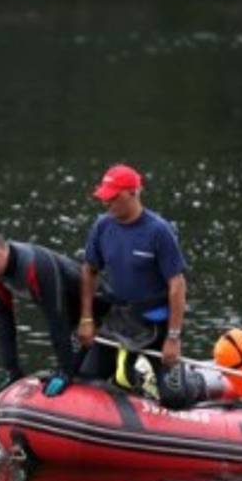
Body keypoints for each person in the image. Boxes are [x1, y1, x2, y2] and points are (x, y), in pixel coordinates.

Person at [77, 164, 187, 390]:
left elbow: (177, 285)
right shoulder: (102, 226)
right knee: (87, 380)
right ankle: (131, 379)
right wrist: (86, 319)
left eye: (113, 197)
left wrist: (173, 338)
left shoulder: (159, 231)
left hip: (156, 324)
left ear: (133, 193)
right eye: (104, 197)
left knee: (175, 397)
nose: (106, 202)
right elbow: (89, 270)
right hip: (119, 320)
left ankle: (187, 381)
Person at [0, 226, 106, 398]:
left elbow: (57, 318)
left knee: (85, 375)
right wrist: (12, 370)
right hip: (74, 321)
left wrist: (65, 371)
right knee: (72, 368)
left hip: (101, 315)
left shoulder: (37, 265)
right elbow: (4, 322)